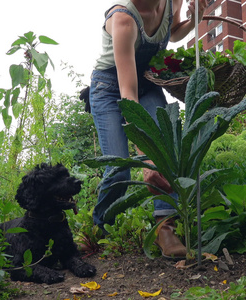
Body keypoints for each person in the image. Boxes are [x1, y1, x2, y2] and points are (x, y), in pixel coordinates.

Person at [88, 0, 207, 259]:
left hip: (147, 83)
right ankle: (99, 228)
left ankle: (165, 229)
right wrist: (146, 157)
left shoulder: (172, 2)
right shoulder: (123, 19)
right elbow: (127, 93)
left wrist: (195, 18)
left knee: (168, 152)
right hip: (109, 88)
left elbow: (173, 32)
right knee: (119, 167)